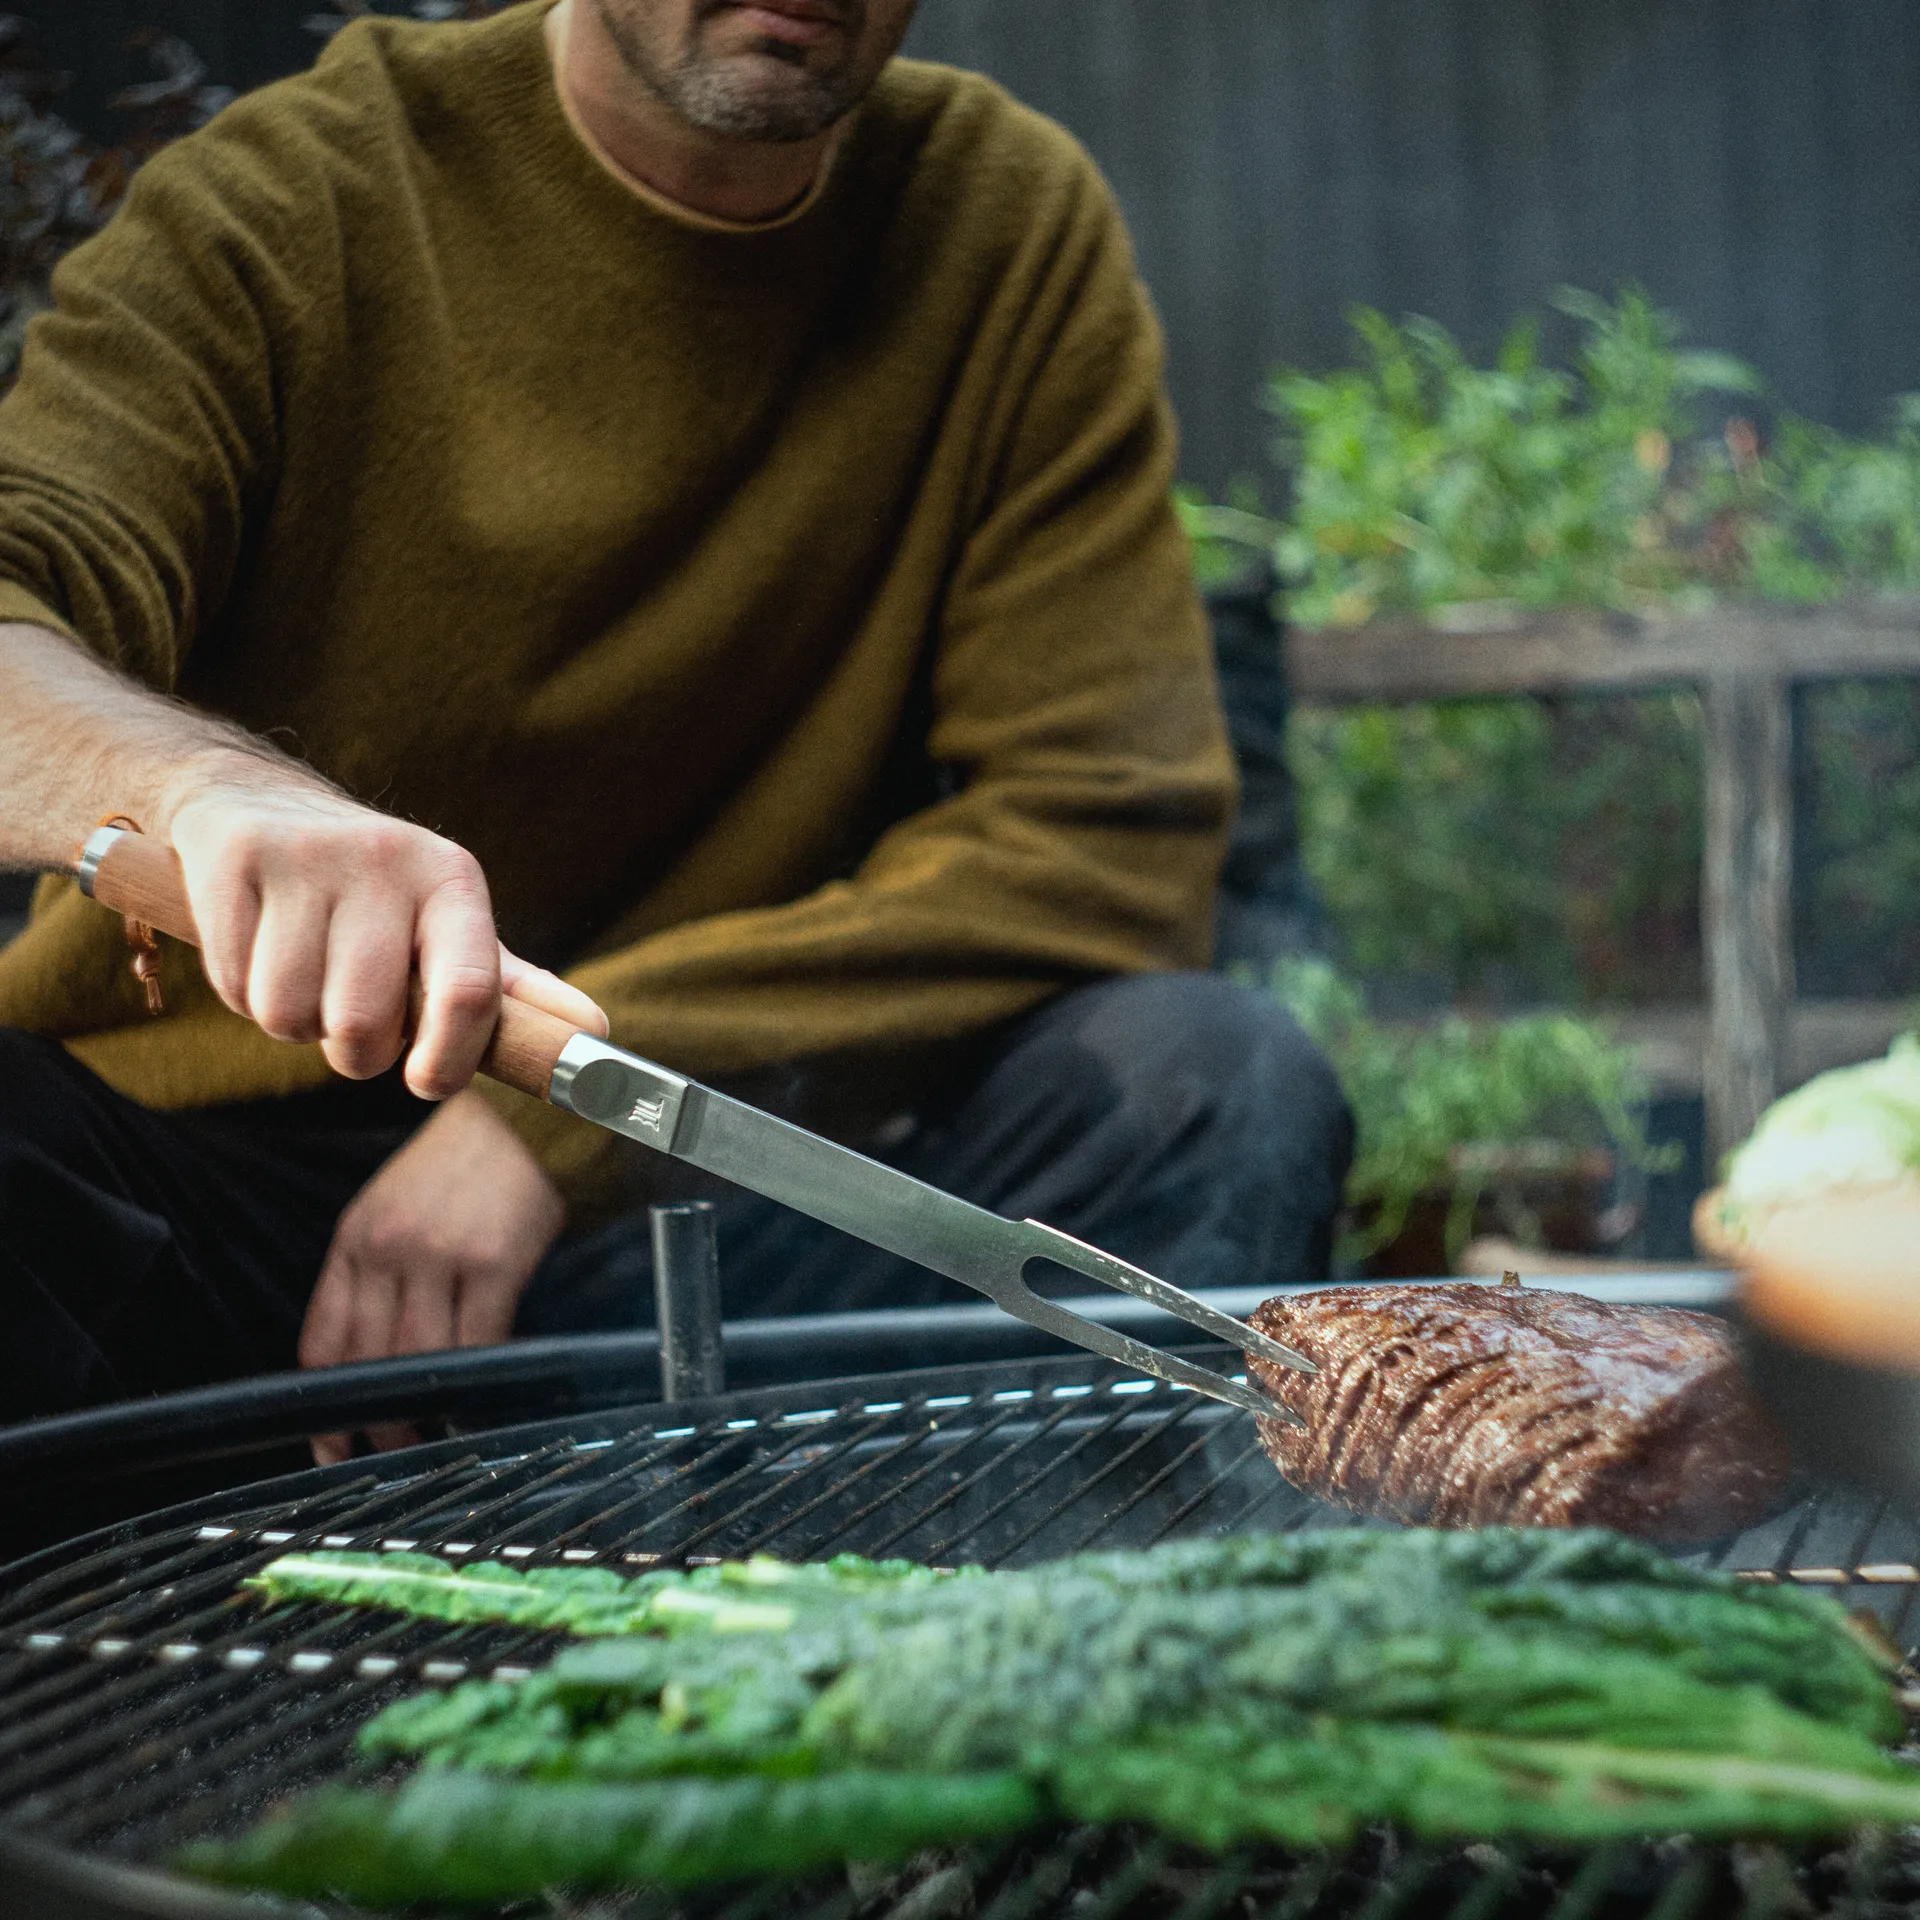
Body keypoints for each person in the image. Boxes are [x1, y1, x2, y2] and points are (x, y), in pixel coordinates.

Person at [0, 0, 1352, 1443]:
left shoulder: (1002, 223)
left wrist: (558, 1121)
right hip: (205, 1198)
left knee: (1218, 1082)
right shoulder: (298, 193)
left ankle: (1014, 1655)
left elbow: (1104, 843)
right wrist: (206, 789)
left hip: (705, 1197)